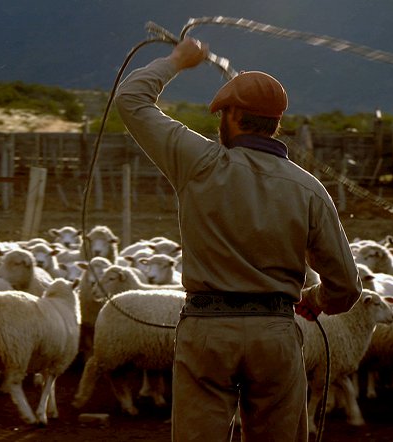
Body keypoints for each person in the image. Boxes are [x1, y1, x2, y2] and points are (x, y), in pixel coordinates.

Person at [114, 37, 362, 442]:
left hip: (207, 330)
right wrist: (313, 302)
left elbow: (131, 100)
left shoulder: (198, 162)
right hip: (276, 333)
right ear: (274, 122)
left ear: (231, 115)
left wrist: (177, 61)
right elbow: (347, 288)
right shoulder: (308, 188)